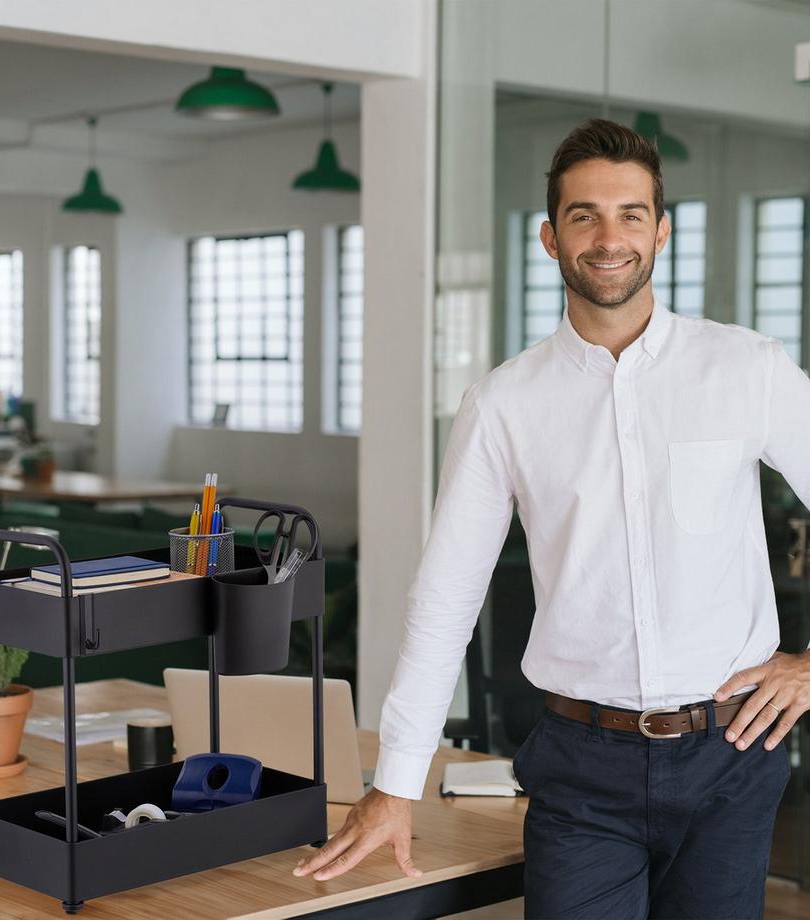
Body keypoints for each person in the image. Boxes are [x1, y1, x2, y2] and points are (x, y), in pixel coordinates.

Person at [293, 118, 810, 918]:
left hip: (732, 756)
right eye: (584, 216)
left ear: (662, 231)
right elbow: (445, 598)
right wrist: (394, 784)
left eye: (631, 214)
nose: (610, 237)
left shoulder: (748, 369)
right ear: (550, 237)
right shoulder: (505, 404)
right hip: (580, 765)